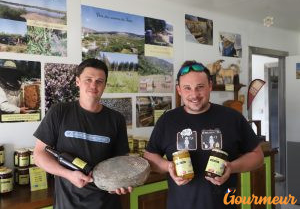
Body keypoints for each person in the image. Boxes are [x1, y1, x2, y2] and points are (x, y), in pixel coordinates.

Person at [143, 60, 264, 209]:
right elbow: (149, 157)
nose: (194, 94)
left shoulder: (232, 118)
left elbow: (258, 156)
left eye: (200, 87)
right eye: (187, 88)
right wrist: (168, 166)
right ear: (179, 90)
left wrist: (232, 167)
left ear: (210, 87)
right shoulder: (167, 120)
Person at [33, 58, 131, 209]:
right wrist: (68, 175)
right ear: (77, 81)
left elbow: (121, 161)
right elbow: (39, 155)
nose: (94, 85)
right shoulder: (59, 112)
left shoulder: (116, 119)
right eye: (88, 79)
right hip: (68, 204)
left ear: (105, 85)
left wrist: (121, 182)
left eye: (99, 81)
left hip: (106, 203)